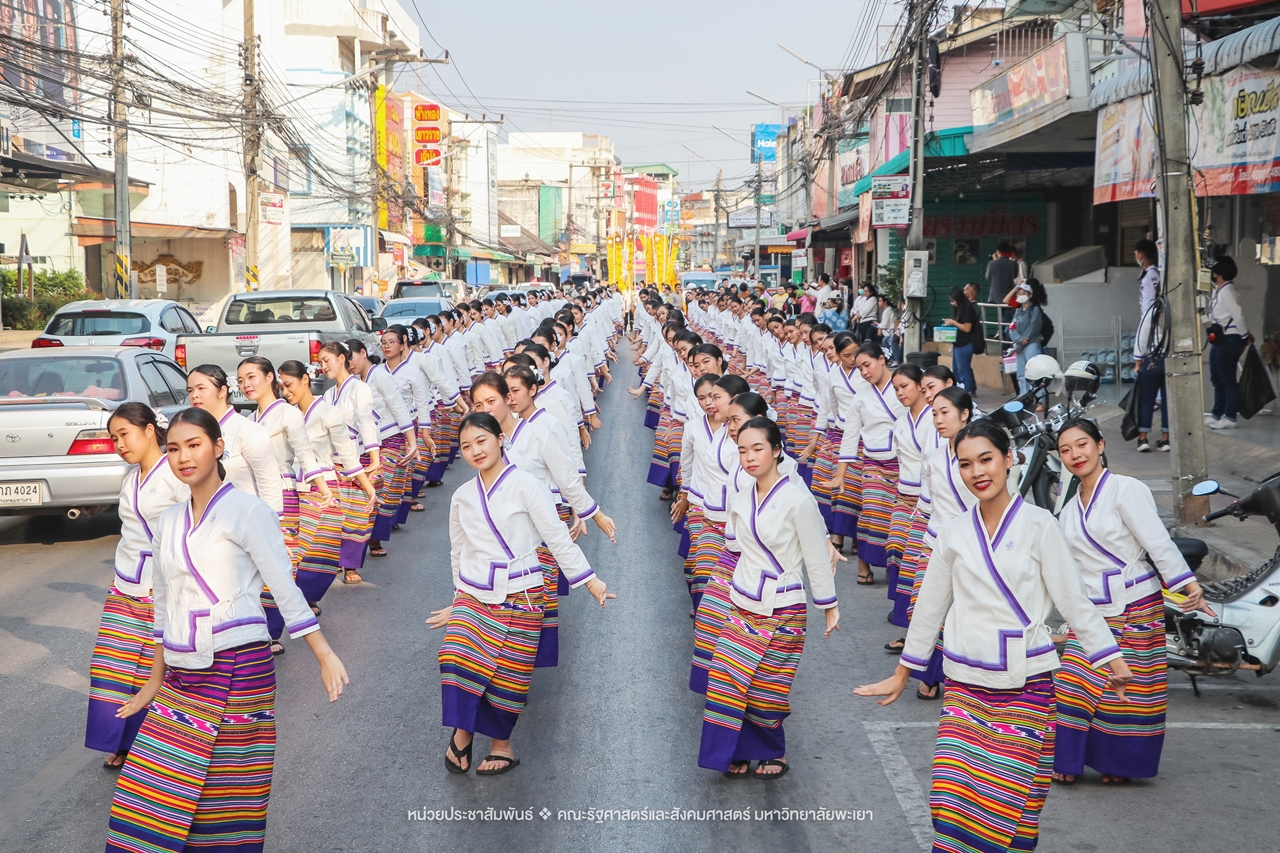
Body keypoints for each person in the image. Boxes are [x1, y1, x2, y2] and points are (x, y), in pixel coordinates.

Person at [856, 419, 1133, 853]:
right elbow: (930, 606)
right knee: (951, 800)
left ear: (1009, 459)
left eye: (986, 459)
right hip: (965, 682)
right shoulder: (952, 532)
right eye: (965, 464)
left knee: (1005, 802)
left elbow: (1074, 601)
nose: (977, 472)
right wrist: (903, 670)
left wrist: (1110, 658)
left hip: (1027, 683)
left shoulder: (1041, 524)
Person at [103, 407, 347, 853]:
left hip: (239, 668)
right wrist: (152, 681)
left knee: (227, 795)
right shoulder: (169, 520)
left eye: (194, 445)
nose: (183, 457)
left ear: (217, 448)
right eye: (174, 448)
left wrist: (323, 653)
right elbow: (164, 605)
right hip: (180, 671)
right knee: (146, 795)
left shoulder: (248, 510)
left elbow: (284, 589)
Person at [426, 413, 614, 775]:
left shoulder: (527, 484)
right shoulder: (462, 496)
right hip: (474, 593)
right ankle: (463, 734)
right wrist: (456, 600)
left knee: (507, 675)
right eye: (466, 446)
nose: (475, 450)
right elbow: (457, 551)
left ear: (500, 439)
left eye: (481, 440)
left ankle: (501, 747)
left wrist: (590, 581)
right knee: (455, 656)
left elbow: (557, 537)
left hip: (523, 593)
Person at [1052, 419, 1210, 784]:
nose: (1075, 454)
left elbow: (1157, 542)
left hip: (1136, 603)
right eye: (1065, 450)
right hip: (1092, 612)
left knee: (1131, 692)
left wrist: (1188, 585)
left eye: (1082, 445)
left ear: (1100, 445)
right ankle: (1069, 761)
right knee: (1074, 680)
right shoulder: (1070, 507)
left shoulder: (1127, 489)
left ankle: (1119, 765)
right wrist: (1065, 620)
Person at [699, 416, 840, 779]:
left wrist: (828, 605)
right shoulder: (742, 494)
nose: (749, 457)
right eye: (743, 450)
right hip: (741, 598)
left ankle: (773, 751)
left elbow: (815, 556)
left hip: (783, 606)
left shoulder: (797, 499)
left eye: (758, 448)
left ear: (777, 451)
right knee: (726, 677)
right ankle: (737, 751)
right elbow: (733, 544)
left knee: (766, 686)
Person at [87, 403, 188, 769]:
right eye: (113, 438)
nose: (118, 444)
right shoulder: (131, 479)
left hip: (163, 587)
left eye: (124, 434)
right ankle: (119, 739)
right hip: (125, 585)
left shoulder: (176, 475)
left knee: (152, 668)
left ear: (149, 430)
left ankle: (148, 745)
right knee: (112, 665)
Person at [238, 356, 329, 655]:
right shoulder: (249, 421)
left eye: (251, 377)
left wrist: (323, 489)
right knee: (250, 564)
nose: (246, 384)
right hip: (252, 497)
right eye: (240, 381)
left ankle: (272, 630)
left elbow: (305, 454)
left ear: (269, 378)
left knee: (277, 562)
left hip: (284, 492)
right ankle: (256, 627)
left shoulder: (288, 414)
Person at [278, 360, 376, 611]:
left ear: (305, 380)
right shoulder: (283, 414)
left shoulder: (329, 413)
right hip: (289, 486)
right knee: (289, 545)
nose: (285, 391)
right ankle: (290, 600)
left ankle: (305, 597)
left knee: (313, 547)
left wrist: (368, 487)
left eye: (289, 385)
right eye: (281, 387)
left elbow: (347, 455)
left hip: (321, 489)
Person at [836, 341, 905, 586]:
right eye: (860, 368)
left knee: (896, 520)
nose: (865, 372)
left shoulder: (902, 387)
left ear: (881, 359)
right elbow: (850, 434)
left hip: (902, 462)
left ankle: (893, 565)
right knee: (872, 513)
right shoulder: (861, 396)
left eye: (867, 365)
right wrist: (840, 474)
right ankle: (864, 565)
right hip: (873, 463)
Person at [348, 339, 417, 557]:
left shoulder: (380, 376)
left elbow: (398, 406)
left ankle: (374, 541)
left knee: (382, 490)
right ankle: (369, 540)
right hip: (366, 444)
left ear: (363, 352)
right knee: (370, 491)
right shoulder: (352, 382)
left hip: (390, 437)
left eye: (351, 357)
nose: (349, 363)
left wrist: (412, 442)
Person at [319, 341, 380, 584]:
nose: (323, 366)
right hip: (332, 461)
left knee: (356, 516)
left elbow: (366, 422)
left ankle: (350, 566)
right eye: (321, 362)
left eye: (327, 360)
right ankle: (333, 560)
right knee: (334, 515)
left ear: (342, 358)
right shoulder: (327, 394)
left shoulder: (359, 388)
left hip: (358, 459)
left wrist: (374, 458)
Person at [186, 365, 282, 514]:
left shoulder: (247, 430)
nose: (194, 395)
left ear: (222, 391)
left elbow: (269, 482)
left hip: (245, 518)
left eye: (201, 388)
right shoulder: (190, 434)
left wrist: (273, 522)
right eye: (190, 390)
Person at [1206, 255, 1251, 430]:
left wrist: (1245, 335)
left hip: (1230, 338)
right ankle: (1217, 414)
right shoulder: (1219, 290)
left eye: (1213, 271)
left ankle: (1230, 416)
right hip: (1221, 338)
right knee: (1217, 377)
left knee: (1227, 379)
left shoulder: (1228, 292)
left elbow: (1238, 314)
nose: (1211, 273)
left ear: (1218, 273)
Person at [1132, 239, 1169, 450]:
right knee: (1166, 401)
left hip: (1152, 356)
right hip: (1167, 355)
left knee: (1146, 399)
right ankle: (1165, 440)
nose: (1135, 256)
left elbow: (1143, 330)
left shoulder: (1150, 279)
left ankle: (1143, 438)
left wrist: (1138, 360)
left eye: (1136, 253)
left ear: (1142, 254)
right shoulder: (1167, 311)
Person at [1010, 278, 1047, 394]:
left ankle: (1039, 399)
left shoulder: (1035, 310)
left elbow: (1034, 326)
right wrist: (1020, 340)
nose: (1020, 295)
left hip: (1031, 344)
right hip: (1020, 346)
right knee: (1021, 374)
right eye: (1019, 293)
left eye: (1024, 293)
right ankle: (1024, 397)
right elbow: (1011, 328)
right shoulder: (1017, 311)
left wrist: (1025, 339)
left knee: (1034, 372)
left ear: (1030, 295)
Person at [940, 287, 977, 393]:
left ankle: (968, 391)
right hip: (958, 344)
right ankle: (959, 391)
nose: (953, 303)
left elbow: (967, 328)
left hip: (965, 344)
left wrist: (953, 322)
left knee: (963, 370)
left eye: (953, 301)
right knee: (956, 370)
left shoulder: (968, 309)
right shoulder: (959, 309)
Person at [986, 240, 1020, 337]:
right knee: (1008, 318)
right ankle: (1005, 336)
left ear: (998, 252)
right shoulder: (1013, 264)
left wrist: (995, 260)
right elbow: (1015, 276)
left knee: (1002, 318)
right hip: (1009, 296)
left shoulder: (992, 264)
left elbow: (988, 277)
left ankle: (1002, 335)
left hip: (996, 297)